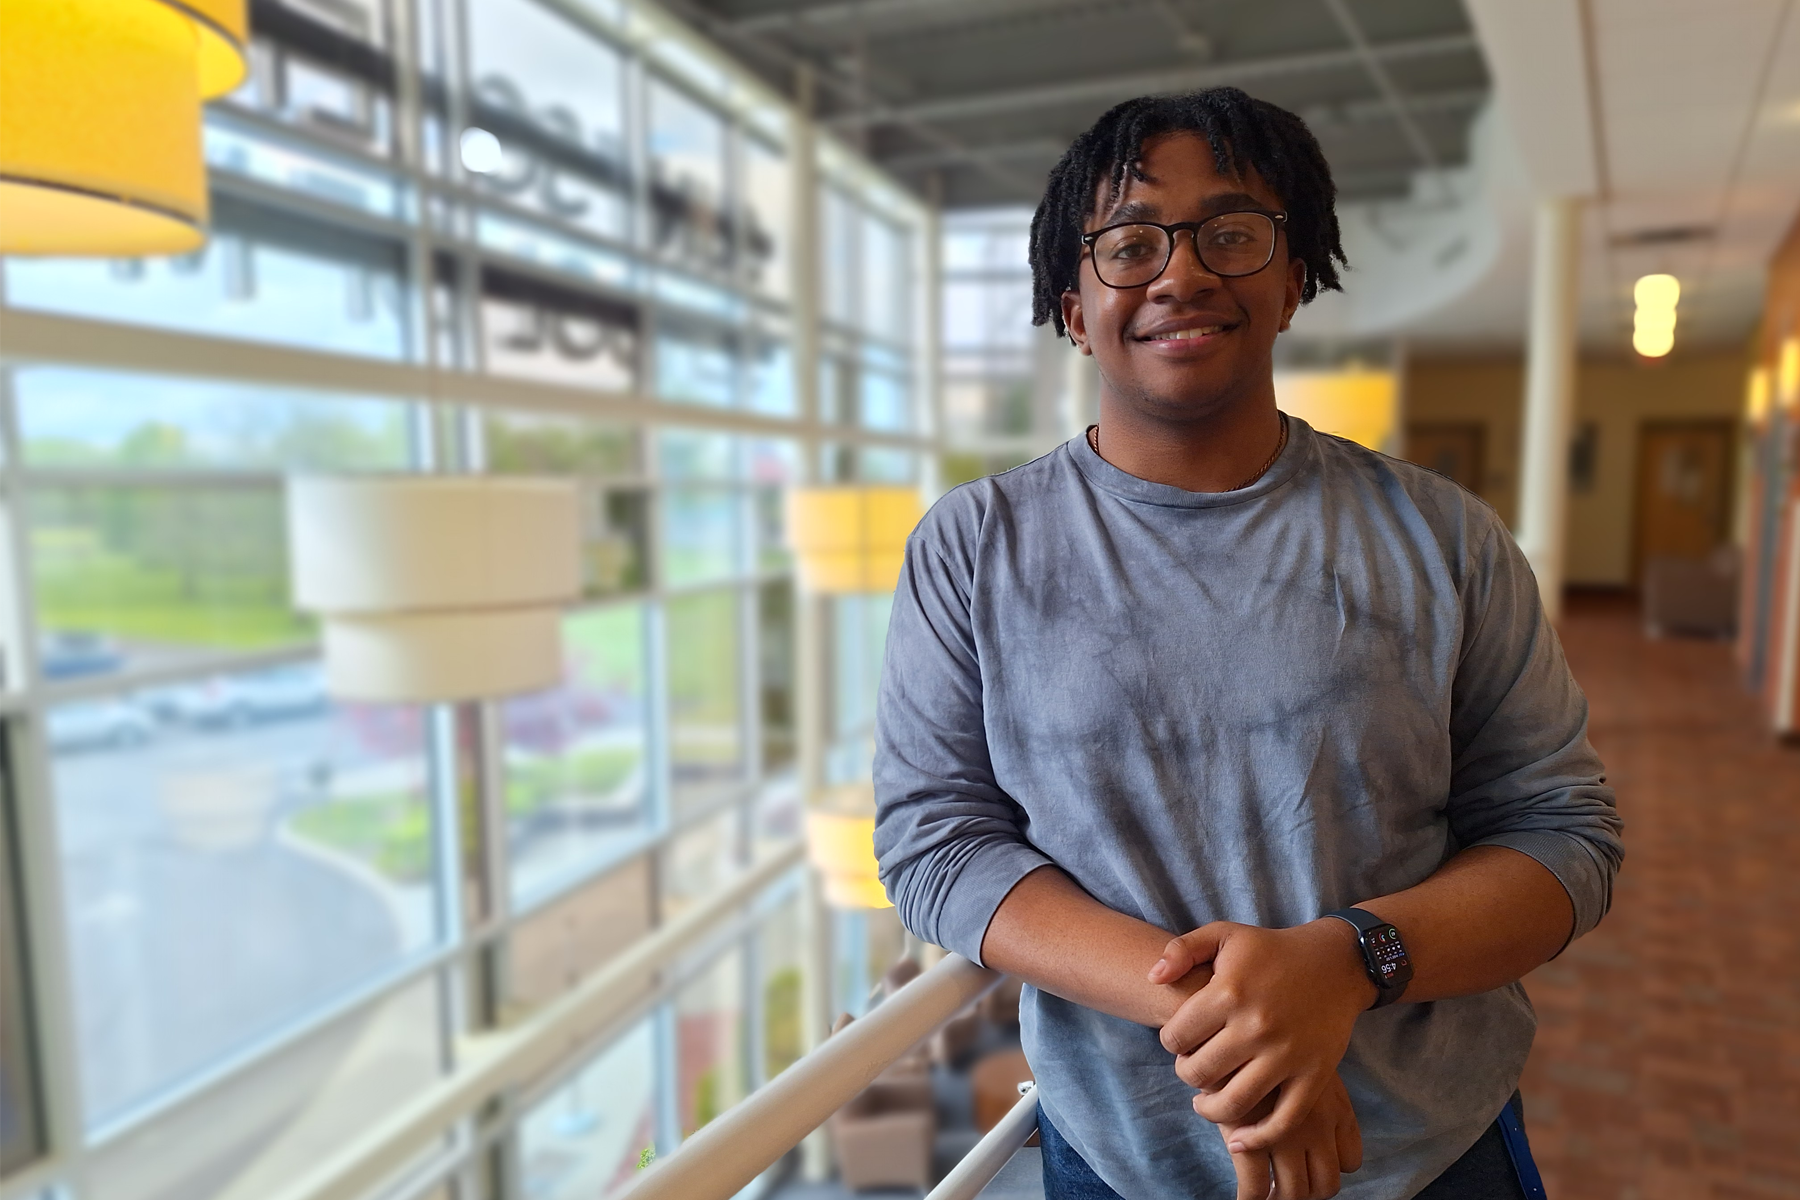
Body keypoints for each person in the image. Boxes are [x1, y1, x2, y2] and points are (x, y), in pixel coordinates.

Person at [872, 87, 1622, 1200]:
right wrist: (1244, 1015)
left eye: (1230, 234)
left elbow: (1563, 835)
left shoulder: (1443, 536)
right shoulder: (974, 547)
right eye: (1131, 245)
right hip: (1121, 1155)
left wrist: (1348, 965)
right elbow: (936, 843)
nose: (1180, 273)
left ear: (1292, 280)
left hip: (1433, 1148)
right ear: (1073, 308)